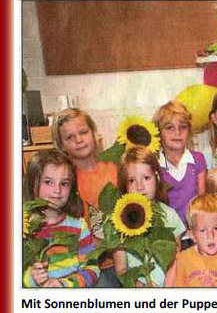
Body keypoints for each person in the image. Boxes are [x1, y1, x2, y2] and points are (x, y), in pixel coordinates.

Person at [52, 107, 119, 286]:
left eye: (83, 132)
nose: (79, 140)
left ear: (94, 133)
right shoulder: (65, 182)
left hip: (124, 258)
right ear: (61, 146)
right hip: (88, 264)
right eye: (69, 137)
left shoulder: (113, 168)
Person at [23, 149, 99, 287]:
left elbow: (92, 268)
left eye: (64, 184)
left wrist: (66, 285)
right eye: (48, 182)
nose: (57, 190)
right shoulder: (24, 229)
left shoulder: (78, 226)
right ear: (33, 185)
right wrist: (33, 279)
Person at [114, 146, 182, 285]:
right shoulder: (118, 222)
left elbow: (175, 261)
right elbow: (121, 269)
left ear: (156, 178)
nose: (140, 187)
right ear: (124, 185)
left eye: (146, 178)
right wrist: (139, 286)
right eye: (132, 181)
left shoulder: (170, 216)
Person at [165, 194, 217, 288]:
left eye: (216, 228)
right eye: (203, 230)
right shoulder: (182, 260)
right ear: (192, 235)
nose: (210, 236)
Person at [154, 100, 207, 232]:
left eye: (182, 127)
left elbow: (202, 201)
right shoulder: (154, 164)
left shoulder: (197, 159)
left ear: (189, 131)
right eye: (169, 127)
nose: (177, 132)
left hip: (194, 230)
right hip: (167, 231)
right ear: (159, 133)